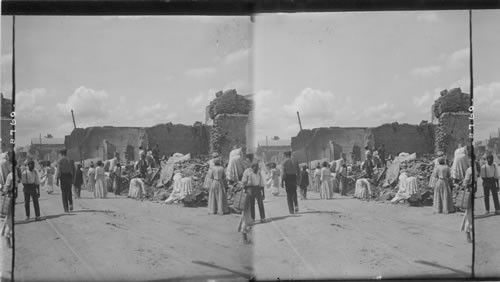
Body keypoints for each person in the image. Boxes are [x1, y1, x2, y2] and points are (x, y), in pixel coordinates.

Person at [461, 165, 475, 243]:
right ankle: (467, 233)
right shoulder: (469, 170)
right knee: (469, 213)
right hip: (470, 192)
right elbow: (465, 182)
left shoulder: (478, 168)